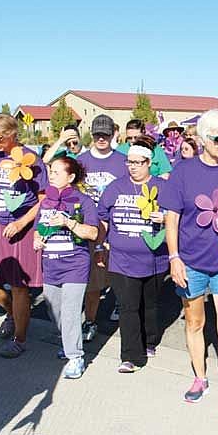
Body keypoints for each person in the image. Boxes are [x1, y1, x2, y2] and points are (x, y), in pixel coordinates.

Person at [159, 109, 218, 427]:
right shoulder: (182, 171)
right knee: (195, 323)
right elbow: (171, 218)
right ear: (201, 139)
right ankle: (200, 377)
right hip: (191, 262)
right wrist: (174, 257)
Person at [0, 113, 47, 358]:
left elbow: (44, 200)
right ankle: (13, 314)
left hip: (19, 229)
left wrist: (23, 222)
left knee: (19, 287)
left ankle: (20, 339)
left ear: (11, 135)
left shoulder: (31, 159)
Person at [98, 137, 168, 373]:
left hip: (155, 259)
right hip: (121, 259)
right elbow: (103, 218)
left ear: (149, 163)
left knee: (148, 305)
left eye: (138, 162)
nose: (133, 166)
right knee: (128, 306)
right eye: (129, 162)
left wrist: (166, 218)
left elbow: (181, 218)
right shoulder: (116, 187)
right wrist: (101, 244)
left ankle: (149, 341)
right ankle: (130, 356)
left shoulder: (163, 187)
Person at [33, 156, 98, 379]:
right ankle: (69, 340)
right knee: (54, 309)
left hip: (75, 264)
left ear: (70, 177)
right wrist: (37, 240)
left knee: (70, 312)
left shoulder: (84, 201)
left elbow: (93, 233)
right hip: (51, 265)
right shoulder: (46, 201)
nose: (51, 175)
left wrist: (68, 222)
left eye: (56, 172)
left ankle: (75, 356)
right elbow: (38, 228)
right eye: (50, 171)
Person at [75, 115, 128, 342]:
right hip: (84, 226)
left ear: (113, 134)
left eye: (105, 134)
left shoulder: (122, 161)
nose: (101, 138)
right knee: (86, 280)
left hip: (113, 228)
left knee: (110, 276)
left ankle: (99, 317)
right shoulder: (81, 160)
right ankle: (87, 320)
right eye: (97, 134)